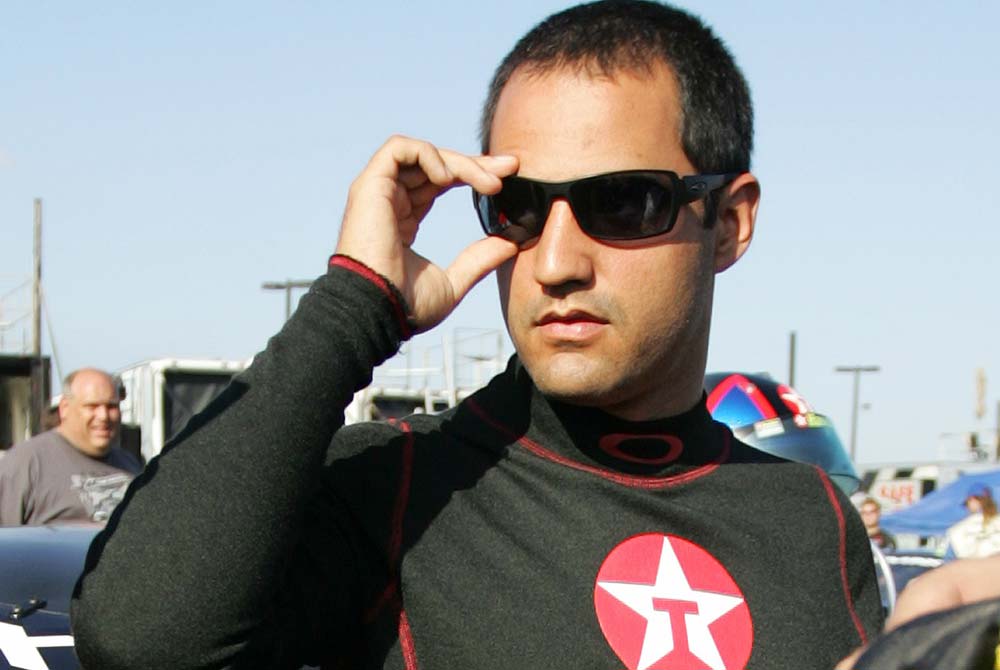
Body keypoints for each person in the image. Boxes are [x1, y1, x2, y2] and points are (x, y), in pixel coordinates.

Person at [71, 2, 882, 668]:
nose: (555, 263)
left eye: (623, 203)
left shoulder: (814, 522)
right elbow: (139, 637)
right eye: (518, 207)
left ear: (729, 223)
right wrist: (354, 304)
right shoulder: (401, 488)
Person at [0, 368, 141, 526]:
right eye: (92, 406)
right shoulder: (26, 464)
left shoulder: (129, 463)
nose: (103, 416)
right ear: (65, 408)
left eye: (111, 406)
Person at [944, 484, 1000, 559]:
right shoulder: (997, 522)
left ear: (972, 499)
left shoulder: (957, 529)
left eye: (967, 503)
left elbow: (949, 560)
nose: (967, 508)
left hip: (967, 564)